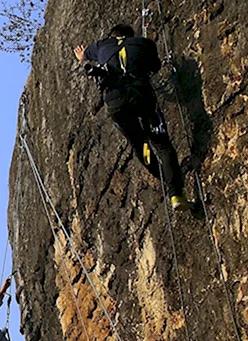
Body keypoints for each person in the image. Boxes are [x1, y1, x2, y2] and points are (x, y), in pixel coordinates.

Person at [74, 24, 194, 211]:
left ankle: (163, 177)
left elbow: (84, 55)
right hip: (142, 97)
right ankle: (176, 194)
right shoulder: (144, 43)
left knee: (141, 145)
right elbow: (154, 66)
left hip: (116, 103)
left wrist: (82, 58)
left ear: (111, 36)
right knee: (162, 144)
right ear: (131, 35)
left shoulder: (101, 45)